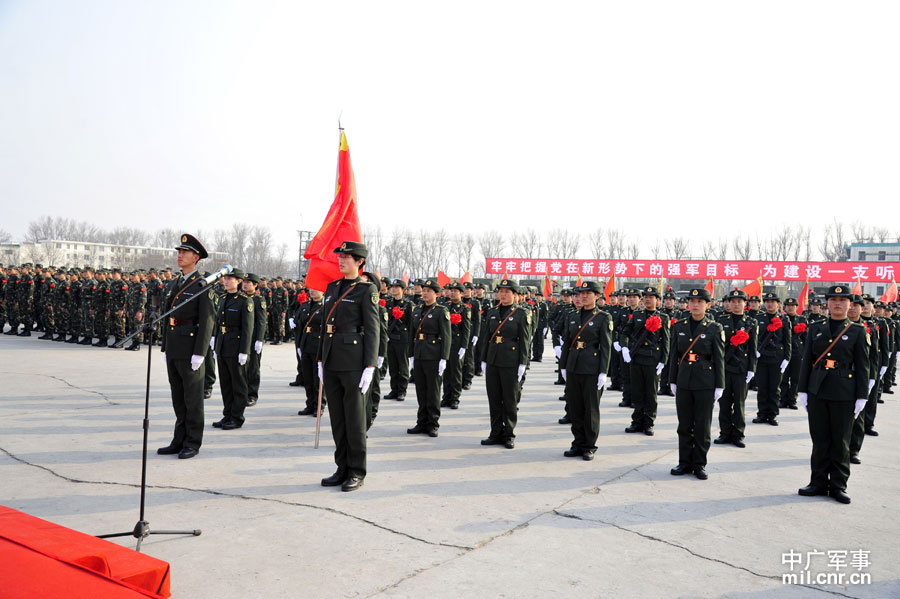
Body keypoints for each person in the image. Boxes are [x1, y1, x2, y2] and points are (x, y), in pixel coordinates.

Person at [316, 241, 380, 492]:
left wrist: (370, 365)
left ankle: (356, 470)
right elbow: (325, 327)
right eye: (340, 257)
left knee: (354, 419)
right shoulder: (332, 288)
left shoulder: (366, 290)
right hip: (332, 360)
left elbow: (373, 329)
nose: (341, 261)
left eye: (347, 258)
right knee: (338, 419)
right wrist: (321, 359)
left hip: (354, 362)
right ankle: (341, 467)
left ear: (359, 262)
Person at [797, 285, 870, 504]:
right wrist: (802, 389)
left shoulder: (857, 331)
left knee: (841, 441)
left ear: (850, 304)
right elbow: (807, 361)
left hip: (844, 392)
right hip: (818, 389)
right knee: (820, 439)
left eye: (843, 300)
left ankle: (838, 485)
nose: (837, 304)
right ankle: (817, 482)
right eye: (833, 300)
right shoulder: (816, 327)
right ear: (827, 303)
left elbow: (863, 365)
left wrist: (862, 396)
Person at [157, 234, 215, 460]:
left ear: (196, 257)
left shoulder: (203, 284)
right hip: (174, 346)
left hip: (191, 348)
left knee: (192, 398)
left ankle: (192, 441)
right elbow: (166, 316)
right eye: (179, 252)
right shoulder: (174, 282)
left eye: (185, 252)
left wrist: (200, 353)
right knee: (178, 396)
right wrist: (165, 346)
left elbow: (207, 320)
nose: (180, 256)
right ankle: (178, 439)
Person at [668, 288, 725, 480]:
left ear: (707, 305)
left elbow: (719, 358)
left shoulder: (714, 327)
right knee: (684, 425)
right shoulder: (679, 326)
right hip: (684, 380)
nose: (695, 304)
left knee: (702, 425)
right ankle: (684, 462)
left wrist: (719, 385)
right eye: (692, 301)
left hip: (705, 382)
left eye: (700, 301)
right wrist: (672, 379)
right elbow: (673, 355)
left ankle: (699, 463)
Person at [558, 280, 613, 460]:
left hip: (592, 368)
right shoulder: (572, 316)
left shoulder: (603, 317)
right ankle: (577, 442)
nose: (583, 296)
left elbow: (606, 346)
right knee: (575, 407)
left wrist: (603, 371)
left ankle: (589, 445)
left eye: (588, 293)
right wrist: (563, 366)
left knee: (590, 409)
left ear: (597, 296)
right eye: (581, 293)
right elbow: (567, 342)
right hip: (574, 366)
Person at [480, 279, 530, 449]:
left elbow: (525, 340)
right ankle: (495, 433)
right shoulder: (492, 312)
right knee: (494, 398)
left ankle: (509, 433)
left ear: (515, 295)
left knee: (509, 399)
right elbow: (485, 337)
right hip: (493, 359)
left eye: (507, 292)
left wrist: (523, 363)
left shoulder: (521, 313)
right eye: (501, 291)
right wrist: (484, 359)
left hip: (511, 360)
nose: (503, 294)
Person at [621, 286, 669, 435]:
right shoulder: (637, 315)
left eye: (651, 297)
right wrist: (624, 347)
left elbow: (666, 340)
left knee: (651, 393)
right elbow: (625, 333)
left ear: (657, 300)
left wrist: (663, 360)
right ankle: (636, 422)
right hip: (637, 357)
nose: (647, 299)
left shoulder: (663, 317)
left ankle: (648, 422)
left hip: (652, 360)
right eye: (646, 297)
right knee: (637, 391)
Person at [210, 269, 254, 430]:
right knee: (226, 384)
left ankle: (237, 417)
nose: (226, 281)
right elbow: (217, 321)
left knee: (238, 384)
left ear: (239, 281)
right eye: (225, 279)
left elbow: (247, 328)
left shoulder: (245, 301)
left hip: (236, 347)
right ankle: (227, 414)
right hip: (223, 345)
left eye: (230, 279)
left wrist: (244, 351)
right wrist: (215, 340)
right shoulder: (222, 299)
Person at [714, 289, 757, 448]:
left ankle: (738, 434)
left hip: (741, 369)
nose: (736, 304)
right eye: (733, 301)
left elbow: (753, 347)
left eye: (740, 301)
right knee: (724, 403)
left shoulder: (751, 322)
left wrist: (752, 368)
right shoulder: (721, 320)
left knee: (739, 403)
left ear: (745, 304)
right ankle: (724, 433)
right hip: (725, 367)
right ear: (729, 303)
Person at [408, 279, 451, 436]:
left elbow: (447, 336)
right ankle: (421, 422)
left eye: (428, 291)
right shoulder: (417, 310)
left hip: (433, 354)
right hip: (419, 353)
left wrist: (444, 358)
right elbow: (412, 334)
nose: (425, 293)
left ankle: (433, 423)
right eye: (423, 290)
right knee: (421, 389)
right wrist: (411, 354)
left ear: (436, 294)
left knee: (433, 391)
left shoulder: (441, 311)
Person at [753, 292, 791, 426]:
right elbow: (755, 338)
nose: (769, 304)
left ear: (778, 304)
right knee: (762, 387)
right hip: (762, 358)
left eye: (773, 302)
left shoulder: (784, 319)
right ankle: (762, 413)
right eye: (767, 301)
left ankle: (772, 414)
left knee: (774, 388)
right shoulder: (758, 318)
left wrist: (787, 357)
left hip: (777, 358)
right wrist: (755, 351)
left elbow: (787, 340)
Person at [441, 282, 471, 410]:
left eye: (455, 291)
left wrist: (464, 346)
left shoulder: (465, 308)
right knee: (446, 372)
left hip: (457, 344)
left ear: (461, 294)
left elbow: (466, 329)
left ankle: (455, 398)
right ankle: (446, 397)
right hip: (445, 343)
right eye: (451, 290)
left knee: (456, 372)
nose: (452, 293)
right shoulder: (444, 306)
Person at [296, 287, 325, 416]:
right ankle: (310, 404)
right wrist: (299, 345)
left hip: (318, 345)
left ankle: (319, 406)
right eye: (311, 289)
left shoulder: (325, 307)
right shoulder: (305, 306)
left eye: (316, 289)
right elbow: (300, 326)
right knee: (307, 377)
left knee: (317, 378)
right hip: (306, 343)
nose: (312, 291)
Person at [384, 279, 413, 401]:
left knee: (403, 366)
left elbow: (411, 324)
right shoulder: (388, 303)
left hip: (403, 339)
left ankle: (402, 390)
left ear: (403, 289)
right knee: (393, 366)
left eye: (397, 287)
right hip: (391, 338)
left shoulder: (408, 304)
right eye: (392, 287)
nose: (394, 289)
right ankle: (394, 389)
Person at [243, 274, 267, 407]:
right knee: (242, 367)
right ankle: (242, 392)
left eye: (249, 283)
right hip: (242, 338)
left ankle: (252, 394)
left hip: (253, 338)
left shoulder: (259, 299)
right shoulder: (241, 298)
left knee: (253, 367)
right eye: (245, 282)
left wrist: (259, 339)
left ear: (255, 285)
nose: (246, 285)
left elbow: (262, 321)